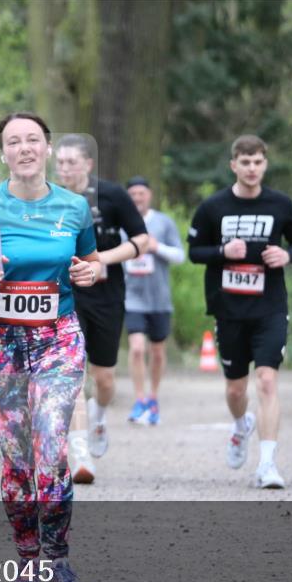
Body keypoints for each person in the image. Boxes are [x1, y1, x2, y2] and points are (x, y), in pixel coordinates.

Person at [0, 112, 99, 582]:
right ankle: (26, 561)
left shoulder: (74, 207)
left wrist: (90, 273)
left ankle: (59, 561)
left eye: (33, 139)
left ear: (48, 148)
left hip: (57, 338)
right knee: (18, 461)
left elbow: (90, 262)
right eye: (14, 141)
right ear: (3, 153)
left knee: (51, 448)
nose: (25, 148)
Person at [187, 135, 292, 489]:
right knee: (236, 390)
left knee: (267, 380)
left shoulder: (281, 204)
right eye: (245, 162)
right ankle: (241, 425)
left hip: (270, 306)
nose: (252, 168)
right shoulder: (213, 207)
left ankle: (267, 464)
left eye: (258, 162)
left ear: (265, 164)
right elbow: (195, 251)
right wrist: (224, 251)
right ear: (234, 165)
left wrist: (287, 255)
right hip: (229, 308)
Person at [54, 134, 148, 457]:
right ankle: (79, 451)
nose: (64, 169)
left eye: (71, 162)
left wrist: (101, 260)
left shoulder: (112, 195)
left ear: (88, 164)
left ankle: (99, 416)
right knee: (71, 371)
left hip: (107, 295)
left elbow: (142, 241)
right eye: (60, 163)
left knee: (104, 378)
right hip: (66, 297)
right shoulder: (49, 199)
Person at [123, 176, 185, 425]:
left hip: (159, 299)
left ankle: (153, 398)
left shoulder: (163, 222)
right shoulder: (121, 224)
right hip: (131, 297)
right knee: (137, 348)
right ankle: (139, 400)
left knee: (157, 352)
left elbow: (180, 256)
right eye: (133, 194)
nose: (137, 198)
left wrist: (156, 247)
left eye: (141, 193)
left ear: (149, 195)